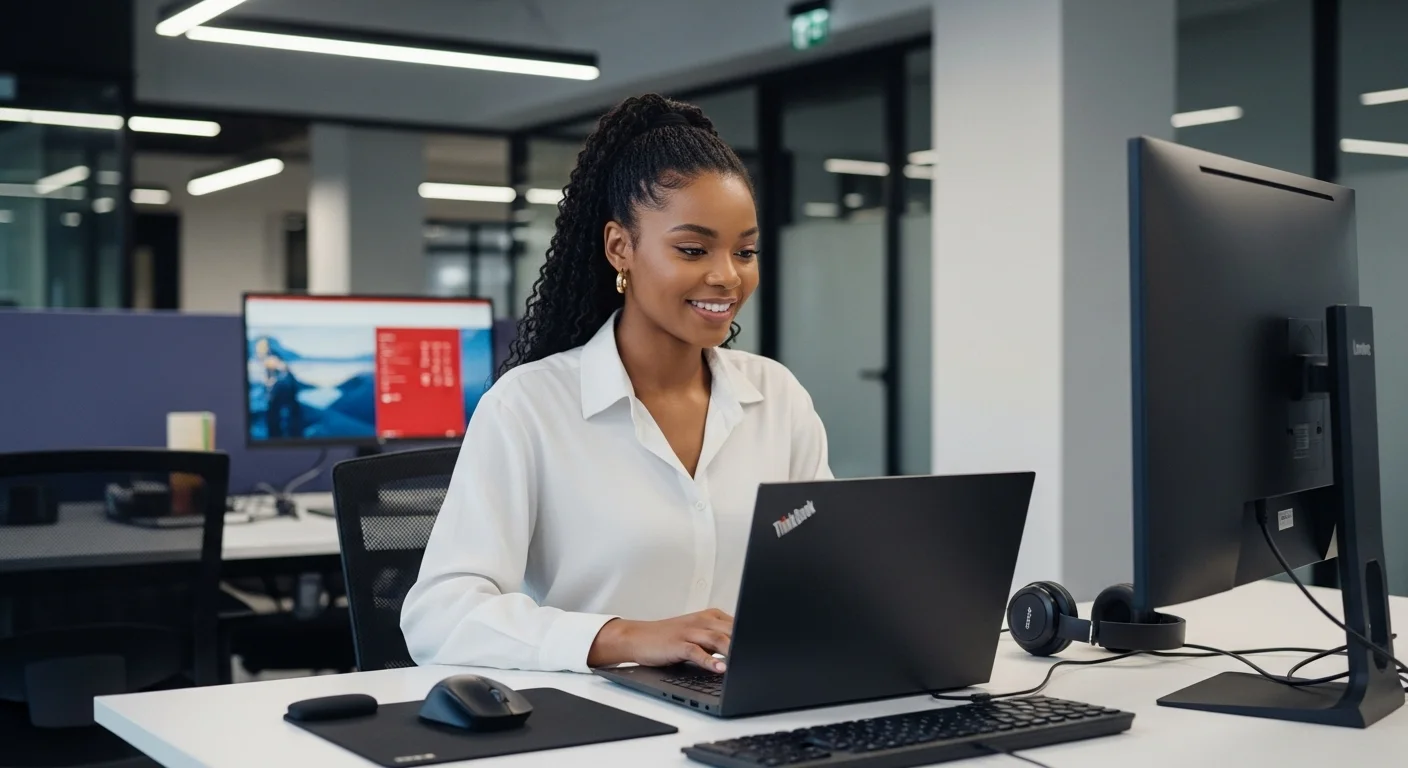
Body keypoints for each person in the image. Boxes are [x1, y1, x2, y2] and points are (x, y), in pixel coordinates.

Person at [400, 94, 832, 675]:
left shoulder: (776, 398)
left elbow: (825, 568)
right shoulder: (529, 406)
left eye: (746, 251)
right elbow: (438, 617)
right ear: (619, 248)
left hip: (751, 710)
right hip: (595, 723)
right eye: (692, 249)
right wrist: (622, 636)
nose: (727, 275)